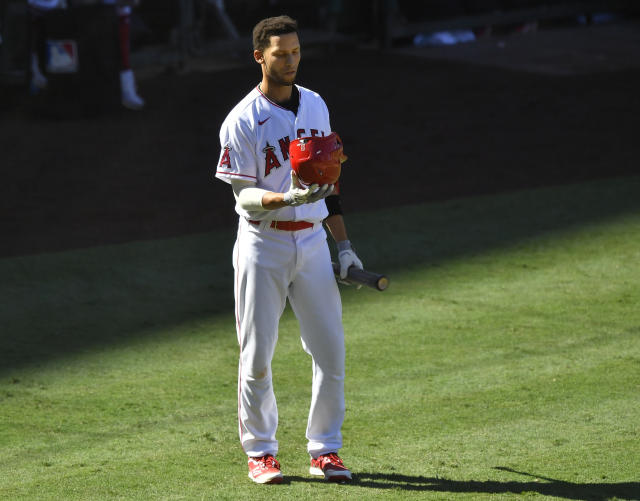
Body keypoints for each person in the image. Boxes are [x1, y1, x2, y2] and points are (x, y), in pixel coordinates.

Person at [214, 15, 363, 485]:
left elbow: (330, 181)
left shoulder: (316, 105)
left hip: (314, 243)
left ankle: (325, 450)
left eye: (296, 52)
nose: (291, 61)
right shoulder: (242, 120)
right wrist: (287, 199)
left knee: (331, 353)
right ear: (260, 57)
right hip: (264, 245)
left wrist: (345, 246)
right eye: (281, 54)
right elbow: (243, 197)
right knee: (257, 355)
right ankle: (261, 452)